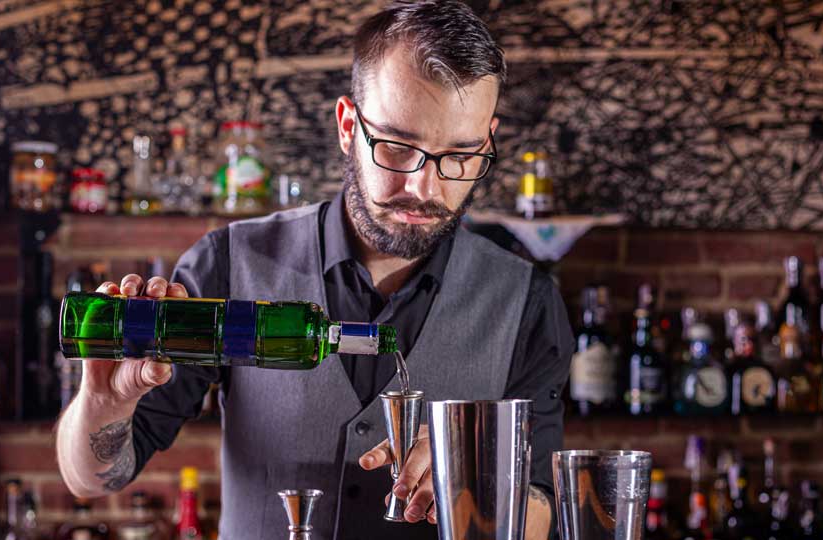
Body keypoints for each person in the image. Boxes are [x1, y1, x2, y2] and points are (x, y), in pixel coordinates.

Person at [55, 2, 574, 538]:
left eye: (460, 155)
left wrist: (479, 482)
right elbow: (90, 479)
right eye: (398, 147)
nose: (424, 187)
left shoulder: (527, 303)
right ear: (348, 126)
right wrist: (101, 402)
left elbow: (544, 509)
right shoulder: (228, 265)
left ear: (488, 140)